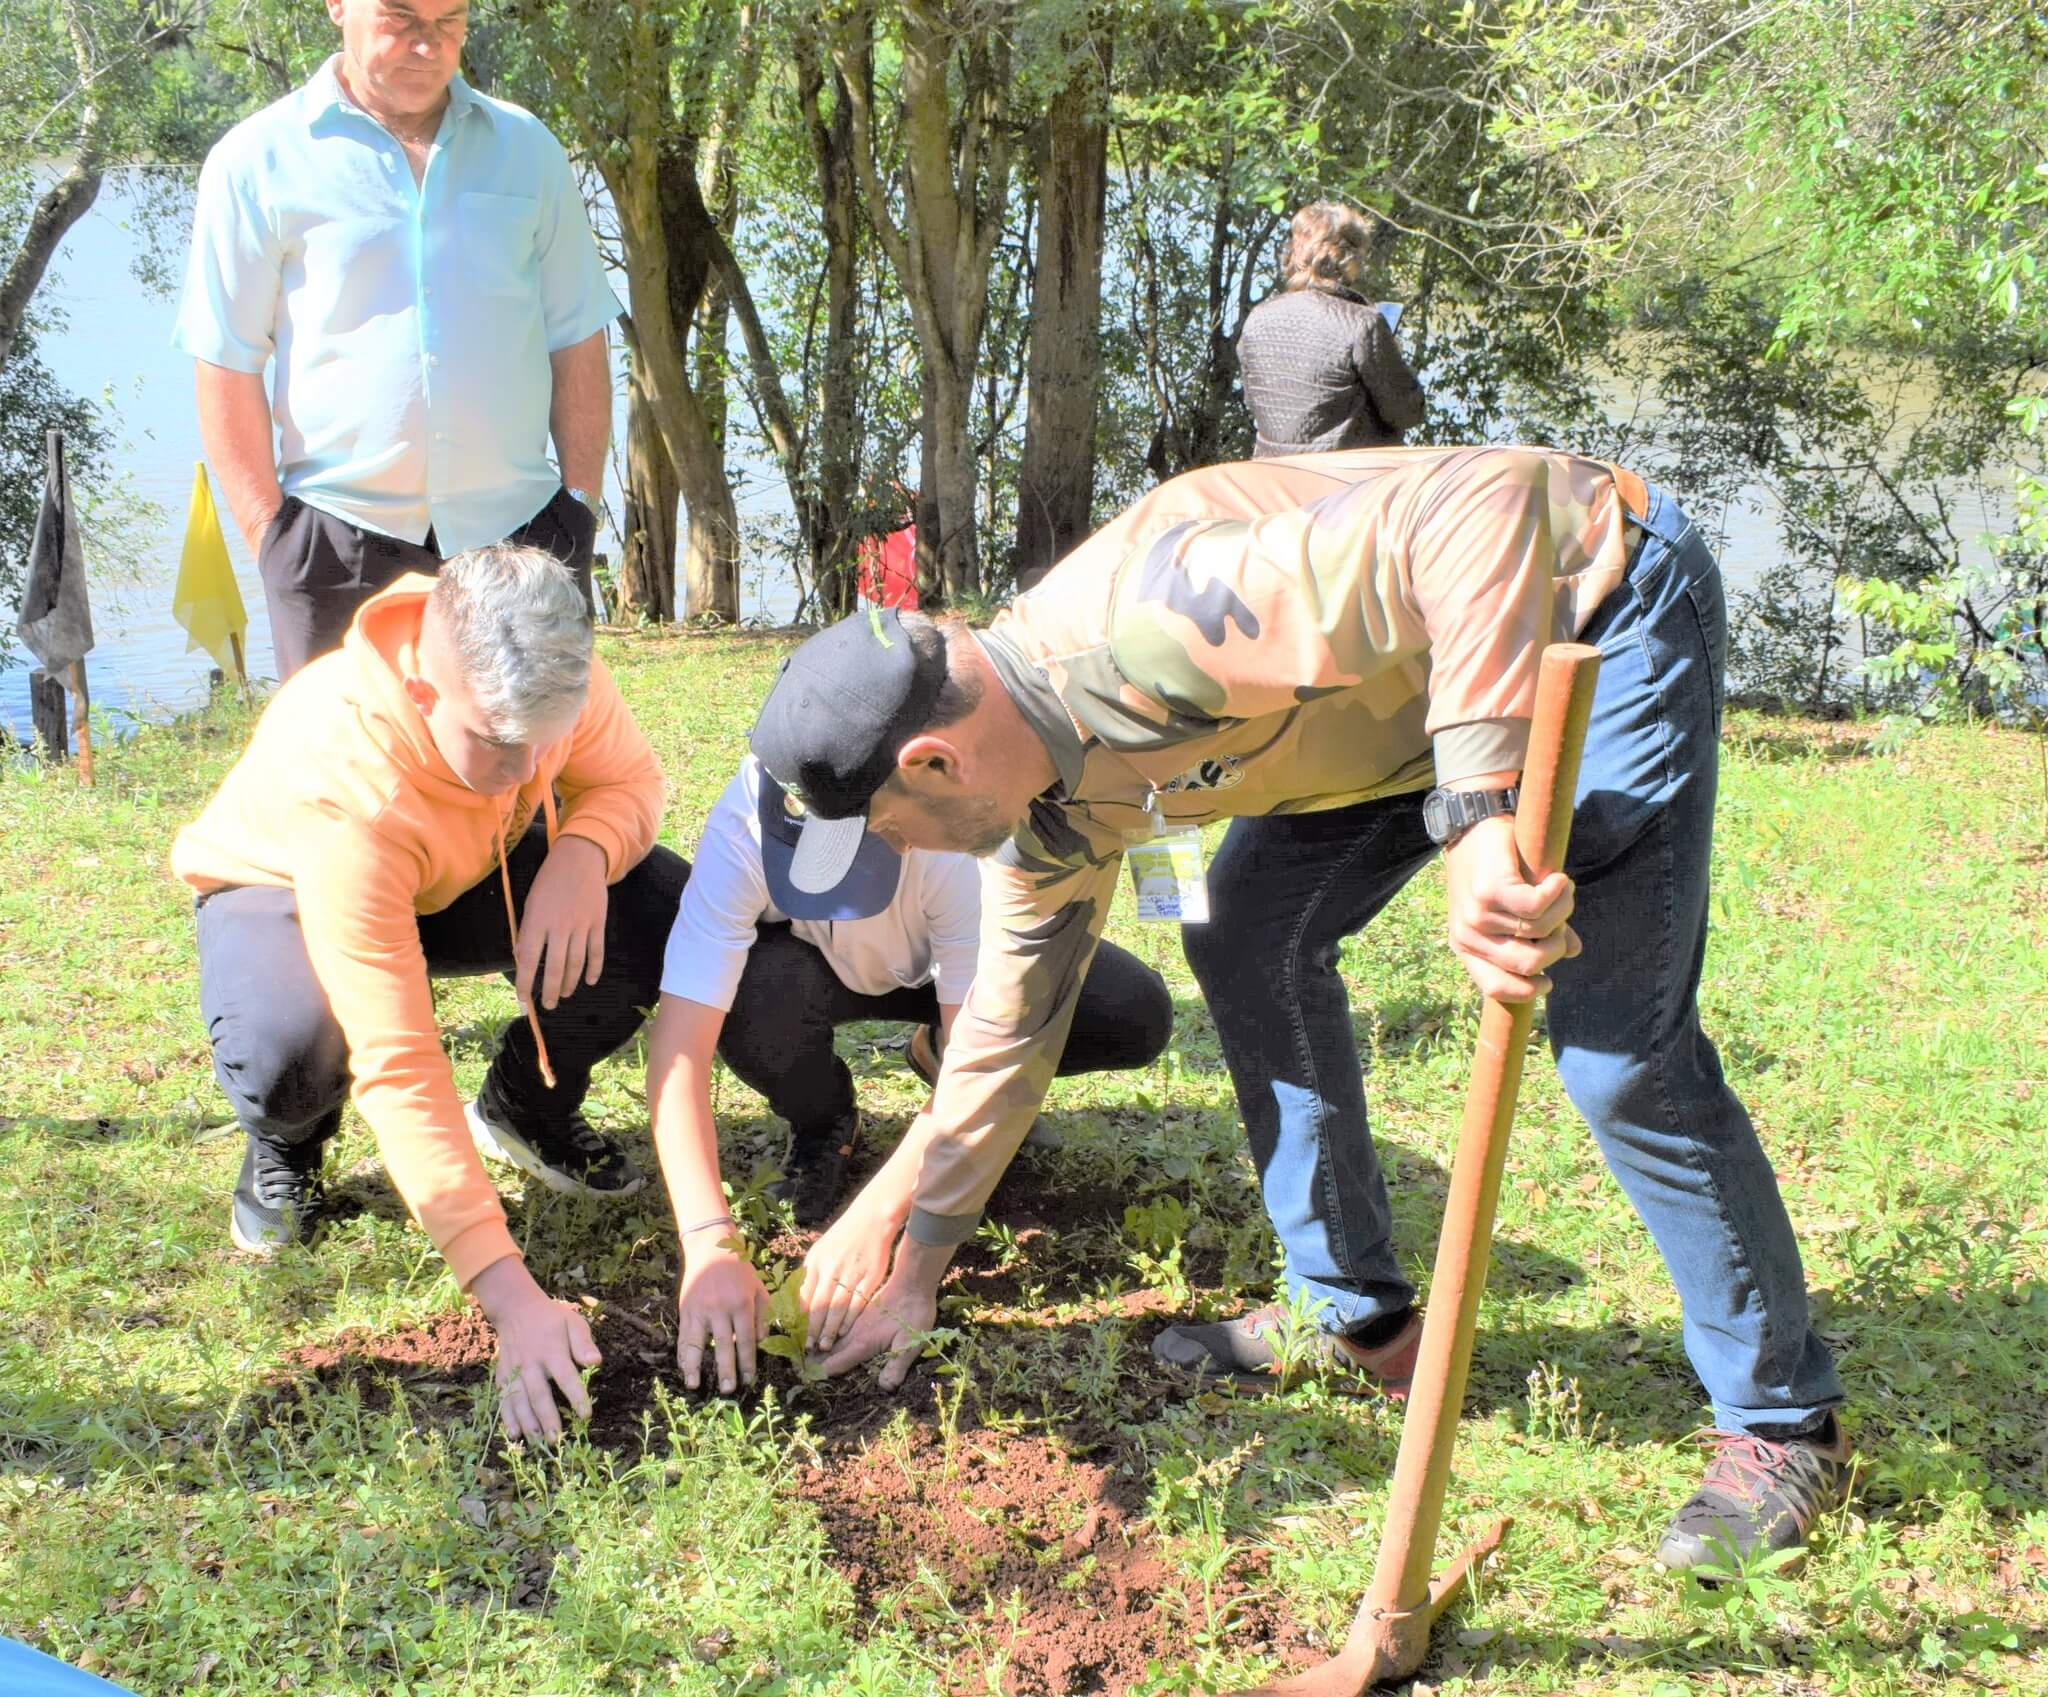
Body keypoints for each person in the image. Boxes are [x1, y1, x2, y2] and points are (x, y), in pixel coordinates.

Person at [753, 446, 1851, 1573]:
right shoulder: (1043, 816)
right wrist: (915, 1269)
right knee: (1240, 931)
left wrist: (1478, 813)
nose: (895, 854)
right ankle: (1353, 1314)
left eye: (884, 826)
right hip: (1388, 709)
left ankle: (1779, 1421)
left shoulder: (1155, 624)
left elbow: (1480, 504)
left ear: (933, 761)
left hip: (1583, 604)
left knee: (1617, 1054)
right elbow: (1004, 1038)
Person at [173, 547, 687, 1443]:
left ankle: (525, 1103)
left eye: (546, 739)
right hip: (287, 883)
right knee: (290, 1051)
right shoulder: (352, 783)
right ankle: (284, 1145)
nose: (531, 767)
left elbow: (632, 780)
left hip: (458, 866)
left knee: (655, 908)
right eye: (501, 743)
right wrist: (510, 1295)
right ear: (422, 694)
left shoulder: (541, 663)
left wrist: (583, 852)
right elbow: (402, 1060)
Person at [642, 742, 1174, 1396]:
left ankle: (936, 1051)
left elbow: (990, 1052)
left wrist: (877, 1217)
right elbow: (678, 1051)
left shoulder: (955, 837)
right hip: (811, 973)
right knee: (756, 999)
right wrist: (708, 1240)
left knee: (1128, 1011)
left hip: (950, 968)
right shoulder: (742, 825)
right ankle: (824, 1118)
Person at [173, 0, 618, 679]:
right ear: (338, 7)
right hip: (336, 547)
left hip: (521, 537)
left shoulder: (528, 150)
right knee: (354, 784)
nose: (427, 46)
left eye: (450, 23)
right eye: (401, 19)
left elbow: (577, 335)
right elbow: (225, 363)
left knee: (525, 778)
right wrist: (274, 540)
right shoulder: (255, 161)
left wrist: (578, 510)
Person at [1238, 201, 1425, 456]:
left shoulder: (1257, 319)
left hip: (1272, 472)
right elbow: (1406, 413)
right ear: (1351, 258)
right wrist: (1393, 353)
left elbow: (1254, 403)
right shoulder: (1363, 323)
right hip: (1346, 478)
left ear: (1295, 252)